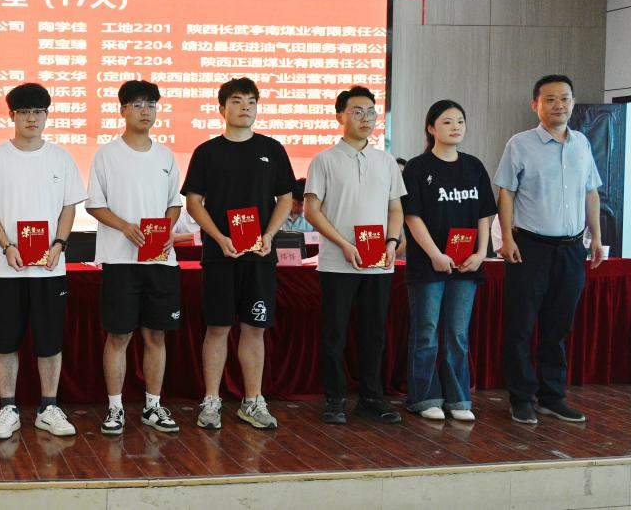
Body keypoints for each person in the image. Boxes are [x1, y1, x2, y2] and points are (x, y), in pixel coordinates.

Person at [0, 83, 86, 440]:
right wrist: (6, 244)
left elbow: (69, 207)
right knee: (5, 341)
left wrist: (60, 243)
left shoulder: (61, 159)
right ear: (12, 115)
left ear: (46, 115)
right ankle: (8, 408)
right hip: (7, 267)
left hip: (50, 267)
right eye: (24, 112)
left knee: (49, 340)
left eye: (38, 111)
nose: (32, 118)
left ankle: (48, 407)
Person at [183, 78, 295, 431]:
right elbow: (193, 201)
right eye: (237, 100)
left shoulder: (272, 149)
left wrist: (270, 234)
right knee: (217, 327)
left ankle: (253, 401)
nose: (245, 106)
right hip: (220, 255)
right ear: (222, 108)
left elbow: (286, 199)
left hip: (259, 255)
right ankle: (211, 400)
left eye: (251, 101)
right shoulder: (207, 152)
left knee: (255, 328)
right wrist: (218, 237)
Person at [494, 74, 604, 425]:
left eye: (565, 98)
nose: (559, 105)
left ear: (573, 102)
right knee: (521, 326)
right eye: (551, 99)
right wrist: (507, 238)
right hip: (530, 247)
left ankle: (552, 397)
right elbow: (506, 192)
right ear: (535, 105)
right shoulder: (520, 144)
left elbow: (591, 192)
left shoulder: (581, 143)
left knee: (558, 326)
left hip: (571, 249)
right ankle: (521, 397)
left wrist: (596, 237)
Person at [304, 85, 406, 425]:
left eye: (371, 112)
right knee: (335, 334)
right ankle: (335, 399)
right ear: (340, 116)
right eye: (357, 112)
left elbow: (395, 208)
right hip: (337, 262)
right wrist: (343, 244)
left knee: (374, 333)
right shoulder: (325, 160)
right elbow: (312, 210)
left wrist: (392, 242)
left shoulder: (386, 161)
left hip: (378, 262)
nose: (366, 118)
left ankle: (371, 398)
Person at [87, 80, 183, 435]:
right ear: (123, 110)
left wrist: (167, 228)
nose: (146, 111)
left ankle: (153, 405)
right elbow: (95, 204)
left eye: (151, 105)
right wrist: (125, 227)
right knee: (119, 336)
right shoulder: (107, 155)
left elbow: (174, 203)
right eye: (138, 104)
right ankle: (115, 408)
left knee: (156, 335)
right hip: (120, 260)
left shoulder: (166, 156)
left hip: (159, 260)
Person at [401, 100, 495, 422]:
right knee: (426, 331)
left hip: (467, 265)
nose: (455, 127)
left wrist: (481, 253)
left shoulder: (474, 166)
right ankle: (424, 397)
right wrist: (435, 255)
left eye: (460, 121)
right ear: (431, 128)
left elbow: (485, 214)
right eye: (446, 122)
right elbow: (412, 217)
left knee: (457, 333)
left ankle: (458, 398)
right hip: (429, 265)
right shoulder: (417, 167)